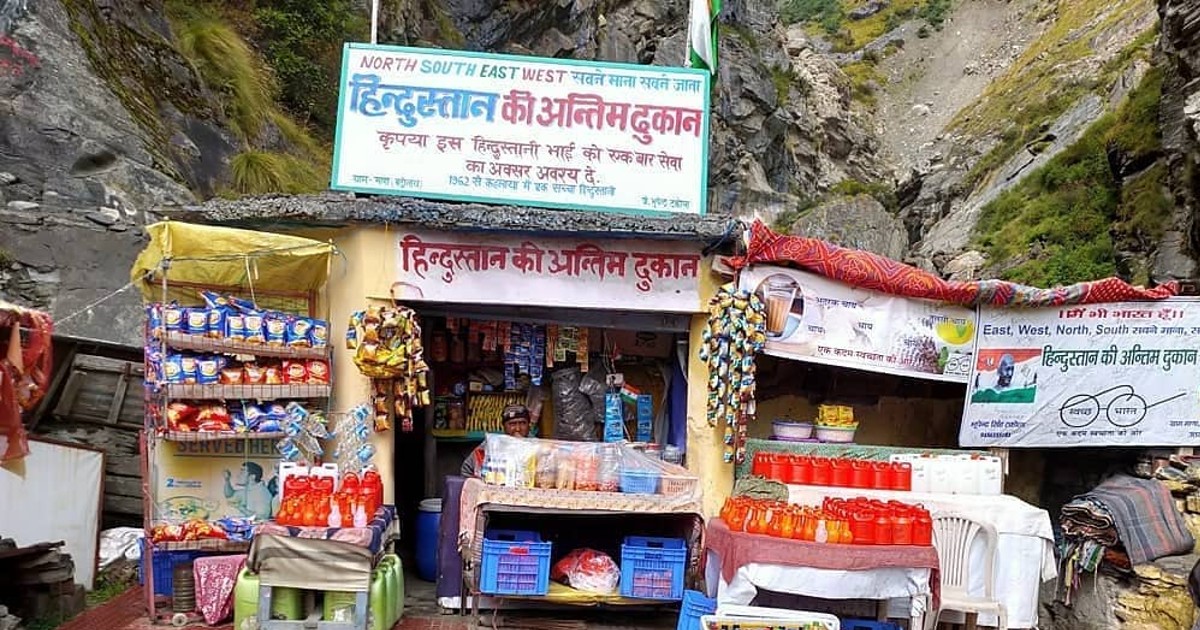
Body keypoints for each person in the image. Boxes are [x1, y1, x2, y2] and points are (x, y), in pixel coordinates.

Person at [460, 403, 532, 477]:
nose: (517, 429)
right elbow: (467, 469)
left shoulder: (537, 447)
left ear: (529, 425)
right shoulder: (492, 445)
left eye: (522, 423)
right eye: (512, 424)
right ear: (504, 427)